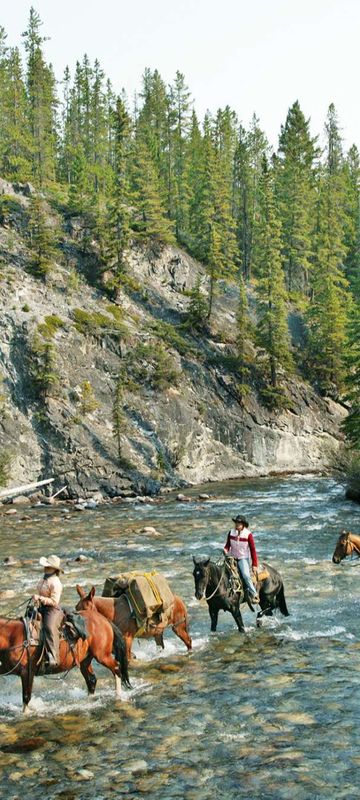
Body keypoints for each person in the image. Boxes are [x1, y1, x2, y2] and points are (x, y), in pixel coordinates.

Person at [32, 554, 64, 667]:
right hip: (42, 607)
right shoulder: (44, 578)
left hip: (52, 610)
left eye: (47, 566)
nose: (45, 568)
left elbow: (54, 601)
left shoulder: (56, 583)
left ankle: (54, 657)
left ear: (54, 569)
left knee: (49, 627)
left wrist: (40, 598)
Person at [223, 515, 260, 604]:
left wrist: (254, 564)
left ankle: (254, 594)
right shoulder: (231, 532)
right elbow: (228, 545)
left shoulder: (248, 534)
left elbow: (253, 550)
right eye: (236, 522)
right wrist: (225, 550)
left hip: (242, 558)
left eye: (239, 523)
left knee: (246, 575)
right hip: (232, 557)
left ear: (243, 524)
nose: (237, 524)